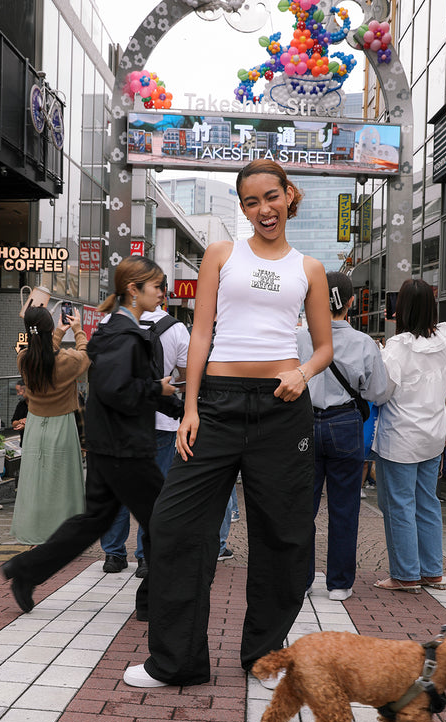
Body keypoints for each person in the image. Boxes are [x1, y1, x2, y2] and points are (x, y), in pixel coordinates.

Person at [123, 159, 333, 689]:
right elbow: (200, 335)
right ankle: (176, 662)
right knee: (173, 525)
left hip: (283, 410)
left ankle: (264, 655)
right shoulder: (221, 255)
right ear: (243, 208)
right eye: (251, 202)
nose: (263, 209)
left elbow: (325, 347)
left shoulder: (309, 268)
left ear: (289, 195)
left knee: (284, 534)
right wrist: (191, 406)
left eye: (271, 197)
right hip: (216, 403)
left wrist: (302, 373)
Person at [1, 256, 182, 618]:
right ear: (134, 290)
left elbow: (115, 387)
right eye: (158, 286)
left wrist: (175, 406)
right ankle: (153, 602)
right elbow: (117, 390)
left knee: (94, 521)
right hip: (124, 449)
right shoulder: (123, 334)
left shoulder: (117, 330)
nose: (164, 292)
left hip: (111, 444)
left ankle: (25, 571)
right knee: (167, 524)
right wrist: (158, 391)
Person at [297, 271, 387, 601]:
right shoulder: (363, 343)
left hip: (304, 424)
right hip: (345, 423)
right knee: (345, 507)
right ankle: (339, 583)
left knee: (302, 507)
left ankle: (302, 579)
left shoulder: (301, 339)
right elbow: (377, 391)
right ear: (351, 302)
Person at [373, 279, 446, 593]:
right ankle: (432, 571)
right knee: (428, 503)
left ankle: (405, 575)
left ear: (402, 308)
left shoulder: (398, 347)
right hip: (433, 434)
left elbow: (382, 392)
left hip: (401, 437)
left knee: (398, 505)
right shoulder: (444, 341)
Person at [100, 297, 190, 578]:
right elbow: (185, 379)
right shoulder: (176, 329)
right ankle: (146, 558)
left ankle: (113, 555)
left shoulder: (108, 323)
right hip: (161, 421)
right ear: (163, 294)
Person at [10, 305, 90, 545]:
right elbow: (85, 356)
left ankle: (33, 531)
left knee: (34, 481)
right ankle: (65, 534)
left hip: (34, 425)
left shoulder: (23, 359)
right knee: (63, 482)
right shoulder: (67, 360)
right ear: (50, 328)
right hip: (62, 424)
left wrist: (56, 334)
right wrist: (77, 330)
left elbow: (42, 355)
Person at [11, 380, 28, 446]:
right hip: (24, 442)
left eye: (19, 391)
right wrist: (20, 421)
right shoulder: (21, 404)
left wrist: (27, 423)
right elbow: (13, 423)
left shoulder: (36, 404)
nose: (18, 394)